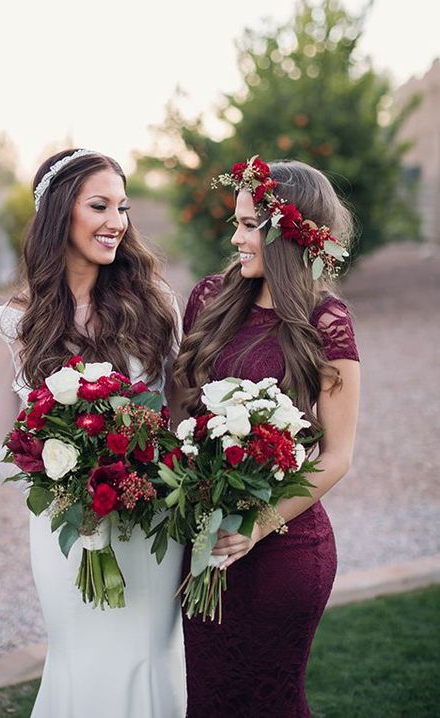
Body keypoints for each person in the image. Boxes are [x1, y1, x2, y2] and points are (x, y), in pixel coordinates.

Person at [0, 149, 185, 718]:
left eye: (122, 206)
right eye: (99, 205)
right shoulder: (7, 328)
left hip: (151, 528)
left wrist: (141, 481)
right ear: (57, 215)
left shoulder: (156, 305)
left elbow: (177, 415)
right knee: (81, 660)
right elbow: (4, 448)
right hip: (66, 532)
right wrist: (72, 499)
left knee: (148, 659)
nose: (116, 220)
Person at [174, 157, 360, 718]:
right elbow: (182, 407)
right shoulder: (210, 298)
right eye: (237, 222)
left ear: (288, 232)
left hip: (286, 548)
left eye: (249, 225)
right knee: (205, 698)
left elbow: (337, 457)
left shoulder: (327, 322)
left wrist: (255, 526)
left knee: (269, 702)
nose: (235, 237)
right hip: (207, 544)